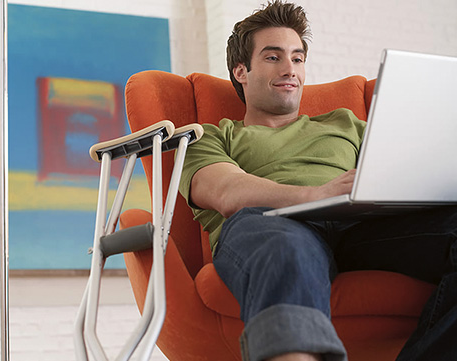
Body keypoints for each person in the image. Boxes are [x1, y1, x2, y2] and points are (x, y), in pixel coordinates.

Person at [178, 1, 457, 360]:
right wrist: (316, 194)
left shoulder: (345, 124)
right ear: (241, 71)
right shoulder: (214, 136)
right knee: (283, 247)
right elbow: (227, 191)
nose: (290, 69)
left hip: (362, 227)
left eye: (297, 58)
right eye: (273, 57)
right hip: (276, 223)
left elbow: (410, 164)